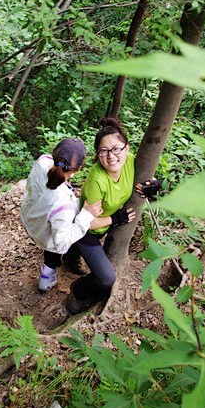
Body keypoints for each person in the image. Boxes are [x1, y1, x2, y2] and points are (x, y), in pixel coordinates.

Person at [65, 117, 161, 314]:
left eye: (116, 149)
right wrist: (116, 219)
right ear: (98, 155)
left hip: (103, 226)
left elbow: (149, 177)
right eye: (104, 151)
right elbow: (88, 222)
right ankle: (78, 290)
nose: (111, 156)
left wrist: (155, 184)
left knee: (76, 251)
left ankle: (70, 256)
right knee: (107, 278)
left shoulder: (132, 162)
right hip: (85, 229)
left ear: (126, 148)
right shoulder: (97, 179)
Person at [20, 137, 103, 292]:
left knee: (53, 230)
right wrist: (85, 216)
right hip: (45, 234)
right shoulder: (64, 206)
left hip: (30, 218)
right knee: (55, 237)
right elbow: (62, 244)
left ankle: (47, 275)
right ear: (79, 168)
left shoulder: (42, 161)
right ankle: (46, 278)